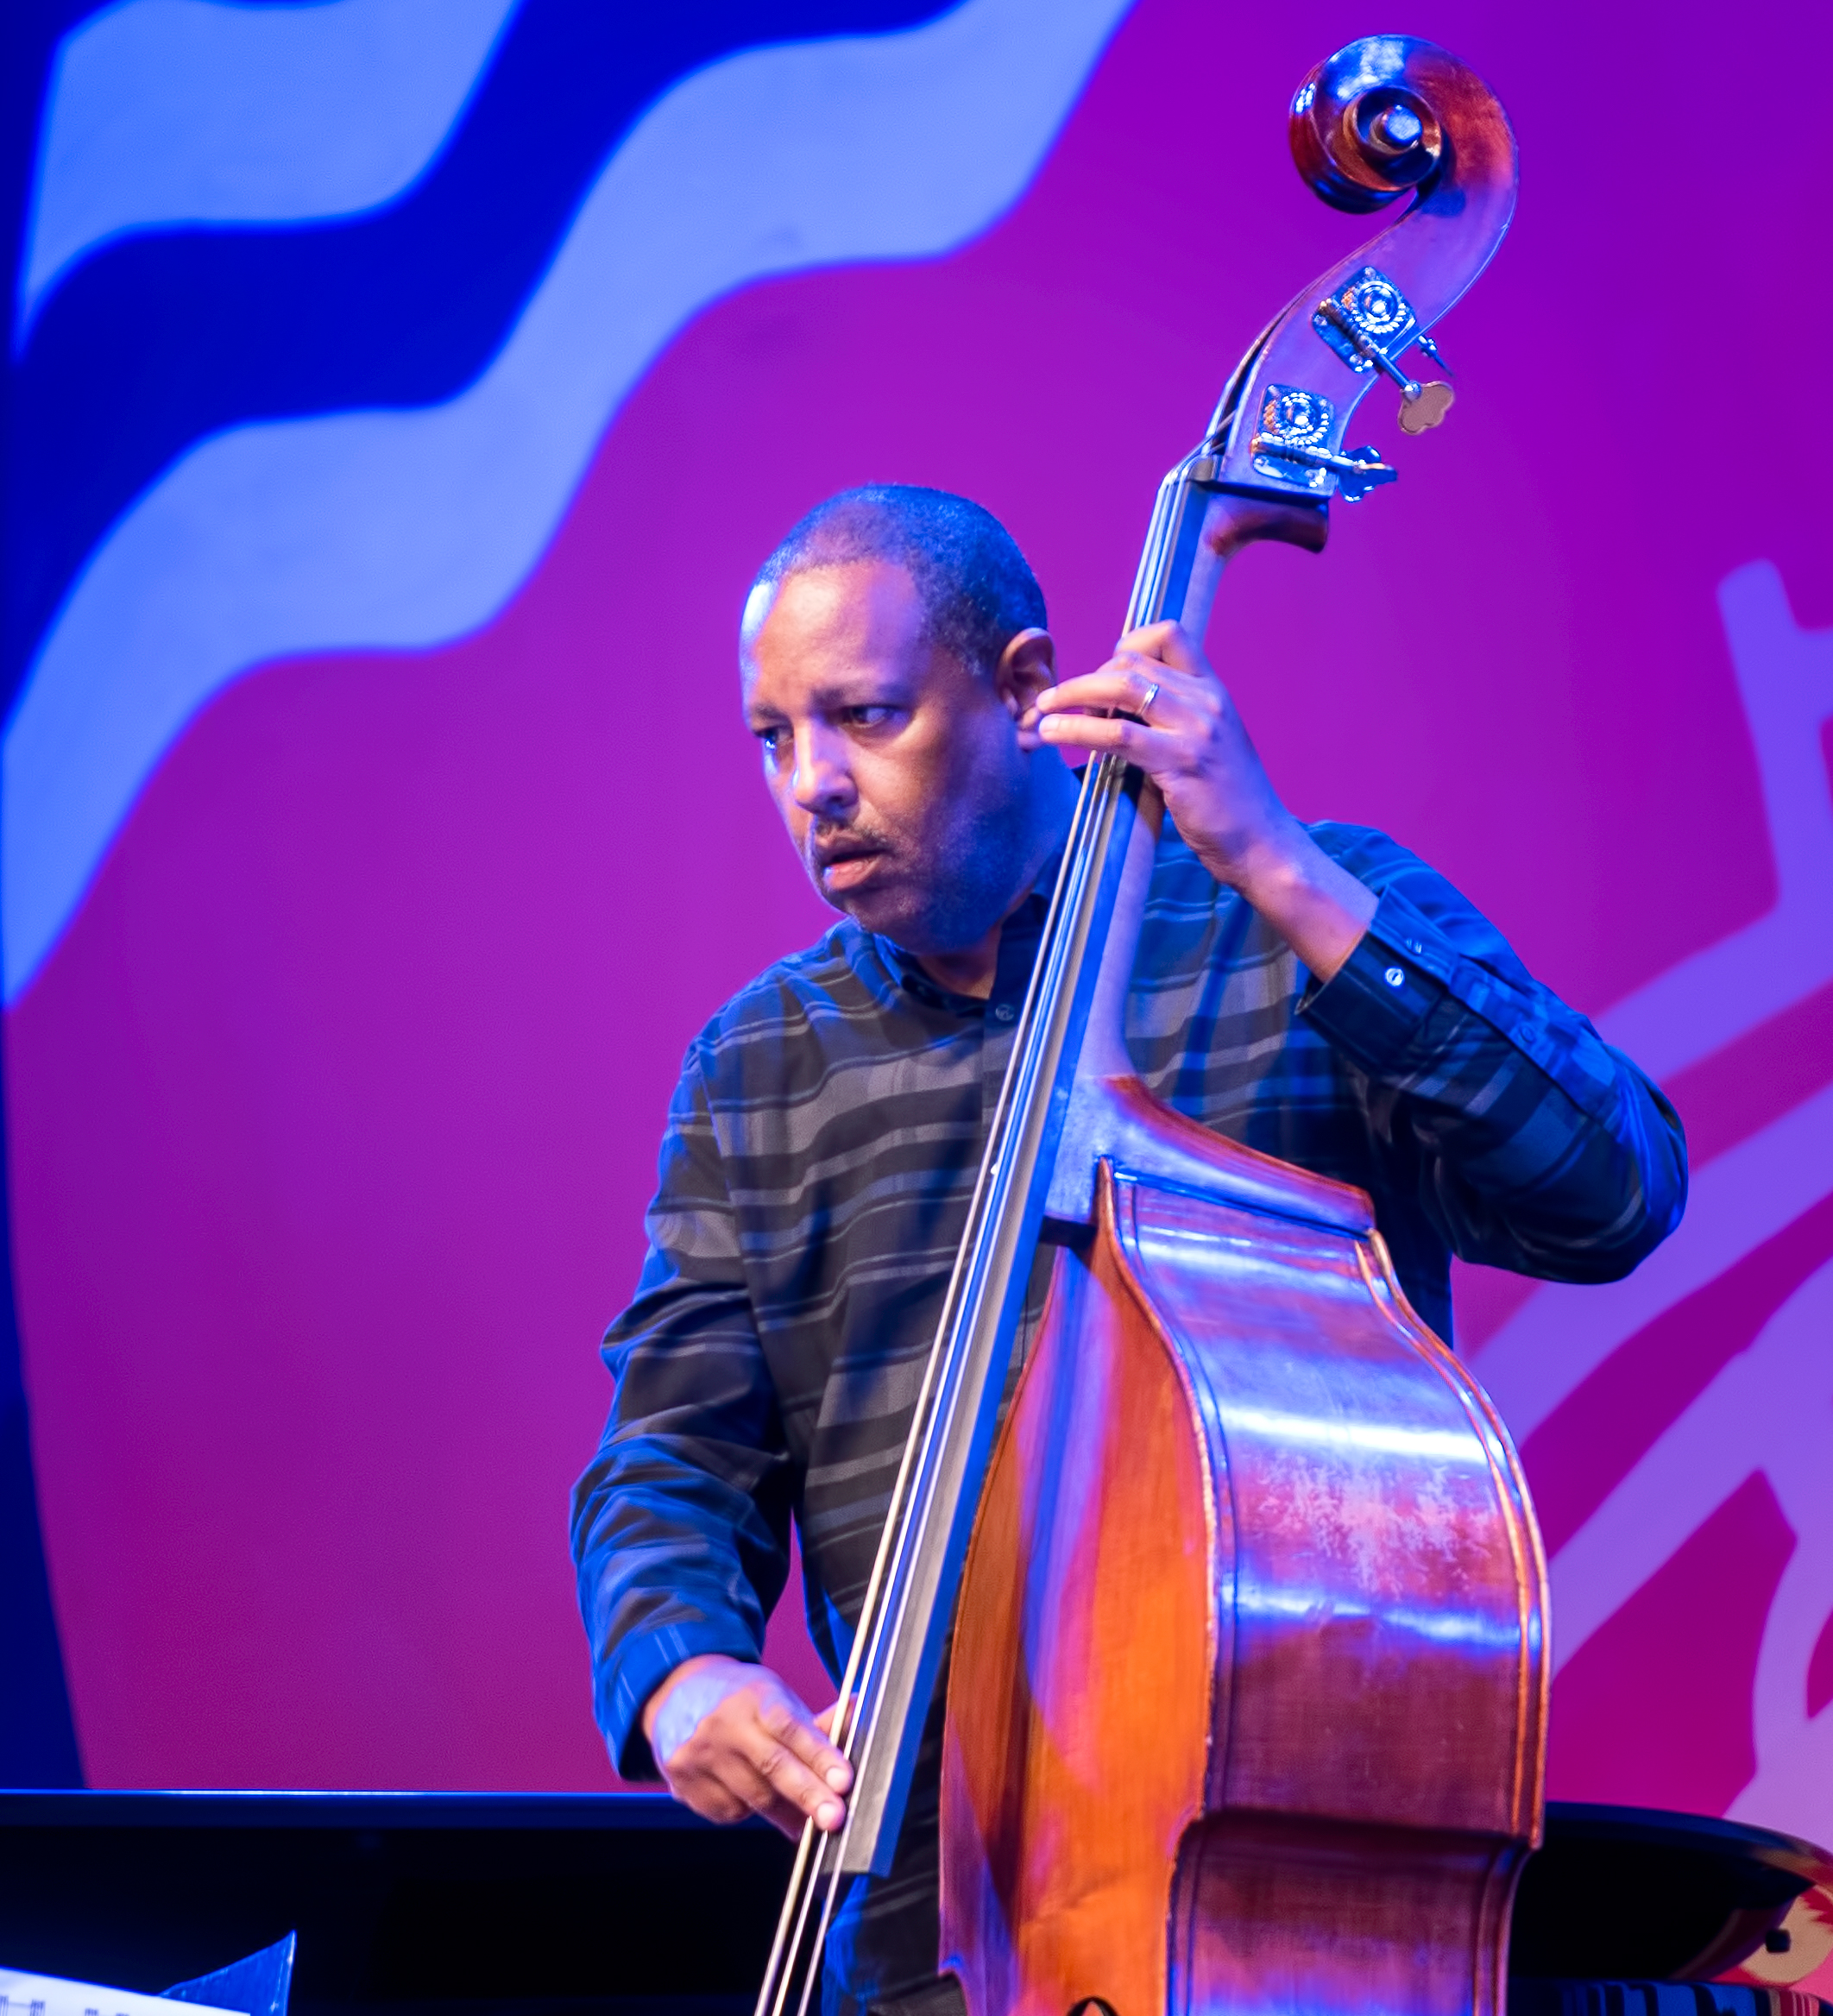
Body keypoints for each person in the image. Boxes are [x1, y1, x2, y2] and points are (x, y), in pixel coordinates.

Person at [570, 484, 1686, 2016]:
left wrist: (1280, 865)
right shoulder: (762, 1063)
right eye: (774, 736)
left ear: (1026, 689)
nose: (813, 784)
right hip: (917, 1926)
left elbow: (1613, 1192)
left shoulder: (1291, 920)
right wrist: (678, 1665)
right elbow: (671, 1454)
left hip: (1282, 1910)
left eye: (865, 716)